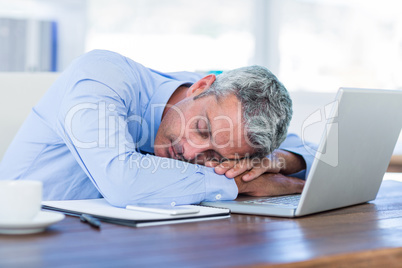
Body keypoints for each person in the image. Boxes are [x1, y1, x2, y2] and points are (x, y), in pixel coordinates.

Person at [0, 50, 314, 207]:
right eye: (201, 129)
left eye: (216, 156)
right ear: (201, 86)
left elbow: (318, 154)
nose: (191, 152)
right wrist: (239, 185)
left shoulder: (228, 114)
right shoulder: (102, 75)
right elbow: (123, 182)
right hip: (24, 234)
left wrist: (278, 162)